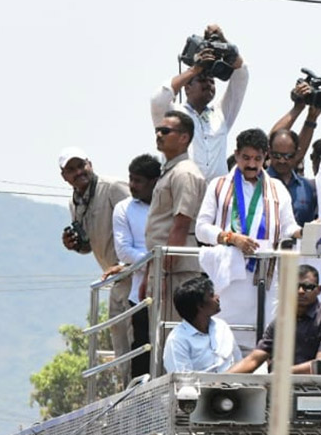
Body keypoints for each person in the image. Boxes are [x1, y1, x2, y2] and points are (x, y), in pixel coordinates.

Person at [196, 128, 302, 348]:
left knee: (264, 338)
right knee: (224, 337)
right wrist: (231, 238)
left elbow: (288, 226)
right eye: (246, 158)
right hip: (229, 275)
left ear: (266, 157)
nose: (252, 164)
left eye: (258, 159)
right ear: (236, 155)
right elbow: (201, 228)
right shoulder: (218, 185)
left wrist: (302, 232)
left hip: (266, 274)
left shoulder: (277, 188)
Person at [58, 147, 132, 362]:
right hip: (114, 278)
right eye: (71, 169)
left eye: (81, 165)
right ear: (64, 176)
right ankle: (130, 392)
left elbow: (141, 220)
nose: (79, 172)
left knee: (139, 339)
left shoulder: (112, 188)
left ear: (90, 164)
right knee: (121, 344)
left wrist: (130, 264)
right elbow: (88, 245)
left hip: (135, 272)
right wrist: (74, 245)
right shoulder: (74, 202)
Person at [150, 24, 249, 182]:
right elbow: (158, 99)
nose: (208, 84)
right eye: (202, 79)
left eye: (212, 81)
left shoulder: (221, 114)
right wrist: (194, 69)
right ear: (187, 87)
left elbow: (241, 76)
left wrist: (225, 44)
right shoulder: (174, 116)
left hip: (215, 199)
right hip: (183, 193)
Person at [143, 111, 208, 322]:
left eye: (165, 131)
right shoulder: (170, 171)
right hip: (161, 263)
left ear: (184, 137)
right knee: (159, 336)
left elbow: (180, 224)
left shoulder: (184, 173)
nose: (159, 135)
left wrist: (163, 273)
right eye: (157, 130)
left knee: (173, 331)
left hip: (176, 269)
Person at [230, 265, 321, 373]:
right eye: (295, 286)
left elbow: (319, 366)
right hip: (280, 387)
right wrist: (221, 380)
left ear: (319, 290)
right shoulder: (280, 323)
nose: (301, 291)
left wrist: (282, 374)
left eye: (308, 287)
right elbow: (253, 360)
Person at [110, 154, 161, 378]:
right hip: (139, 293)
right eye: (131, 179)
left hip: (169, 289)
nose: (132, 185)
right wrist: (154, 260)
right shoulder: (124, 208)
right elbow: (123, 250)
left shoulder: (167, 207)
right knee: (142, 348)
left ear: (154, 182)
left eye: (138, 181)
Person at [162, 274, 244, 374]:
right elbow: (182, 382)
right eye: (211, 295)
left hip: (234, 386)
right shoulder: (177, 340)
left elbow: (238, 361)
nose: (217, 297)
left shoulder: (222, 326)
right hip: (199, 388)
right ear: (200, 306)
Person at [267, 128, 318, 228]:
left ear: (297, 153)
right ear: (269, 152)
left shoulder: (307, 187)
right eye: (277, 155)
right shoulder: (258, 183)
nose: (282, 161)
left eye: (287, 156)